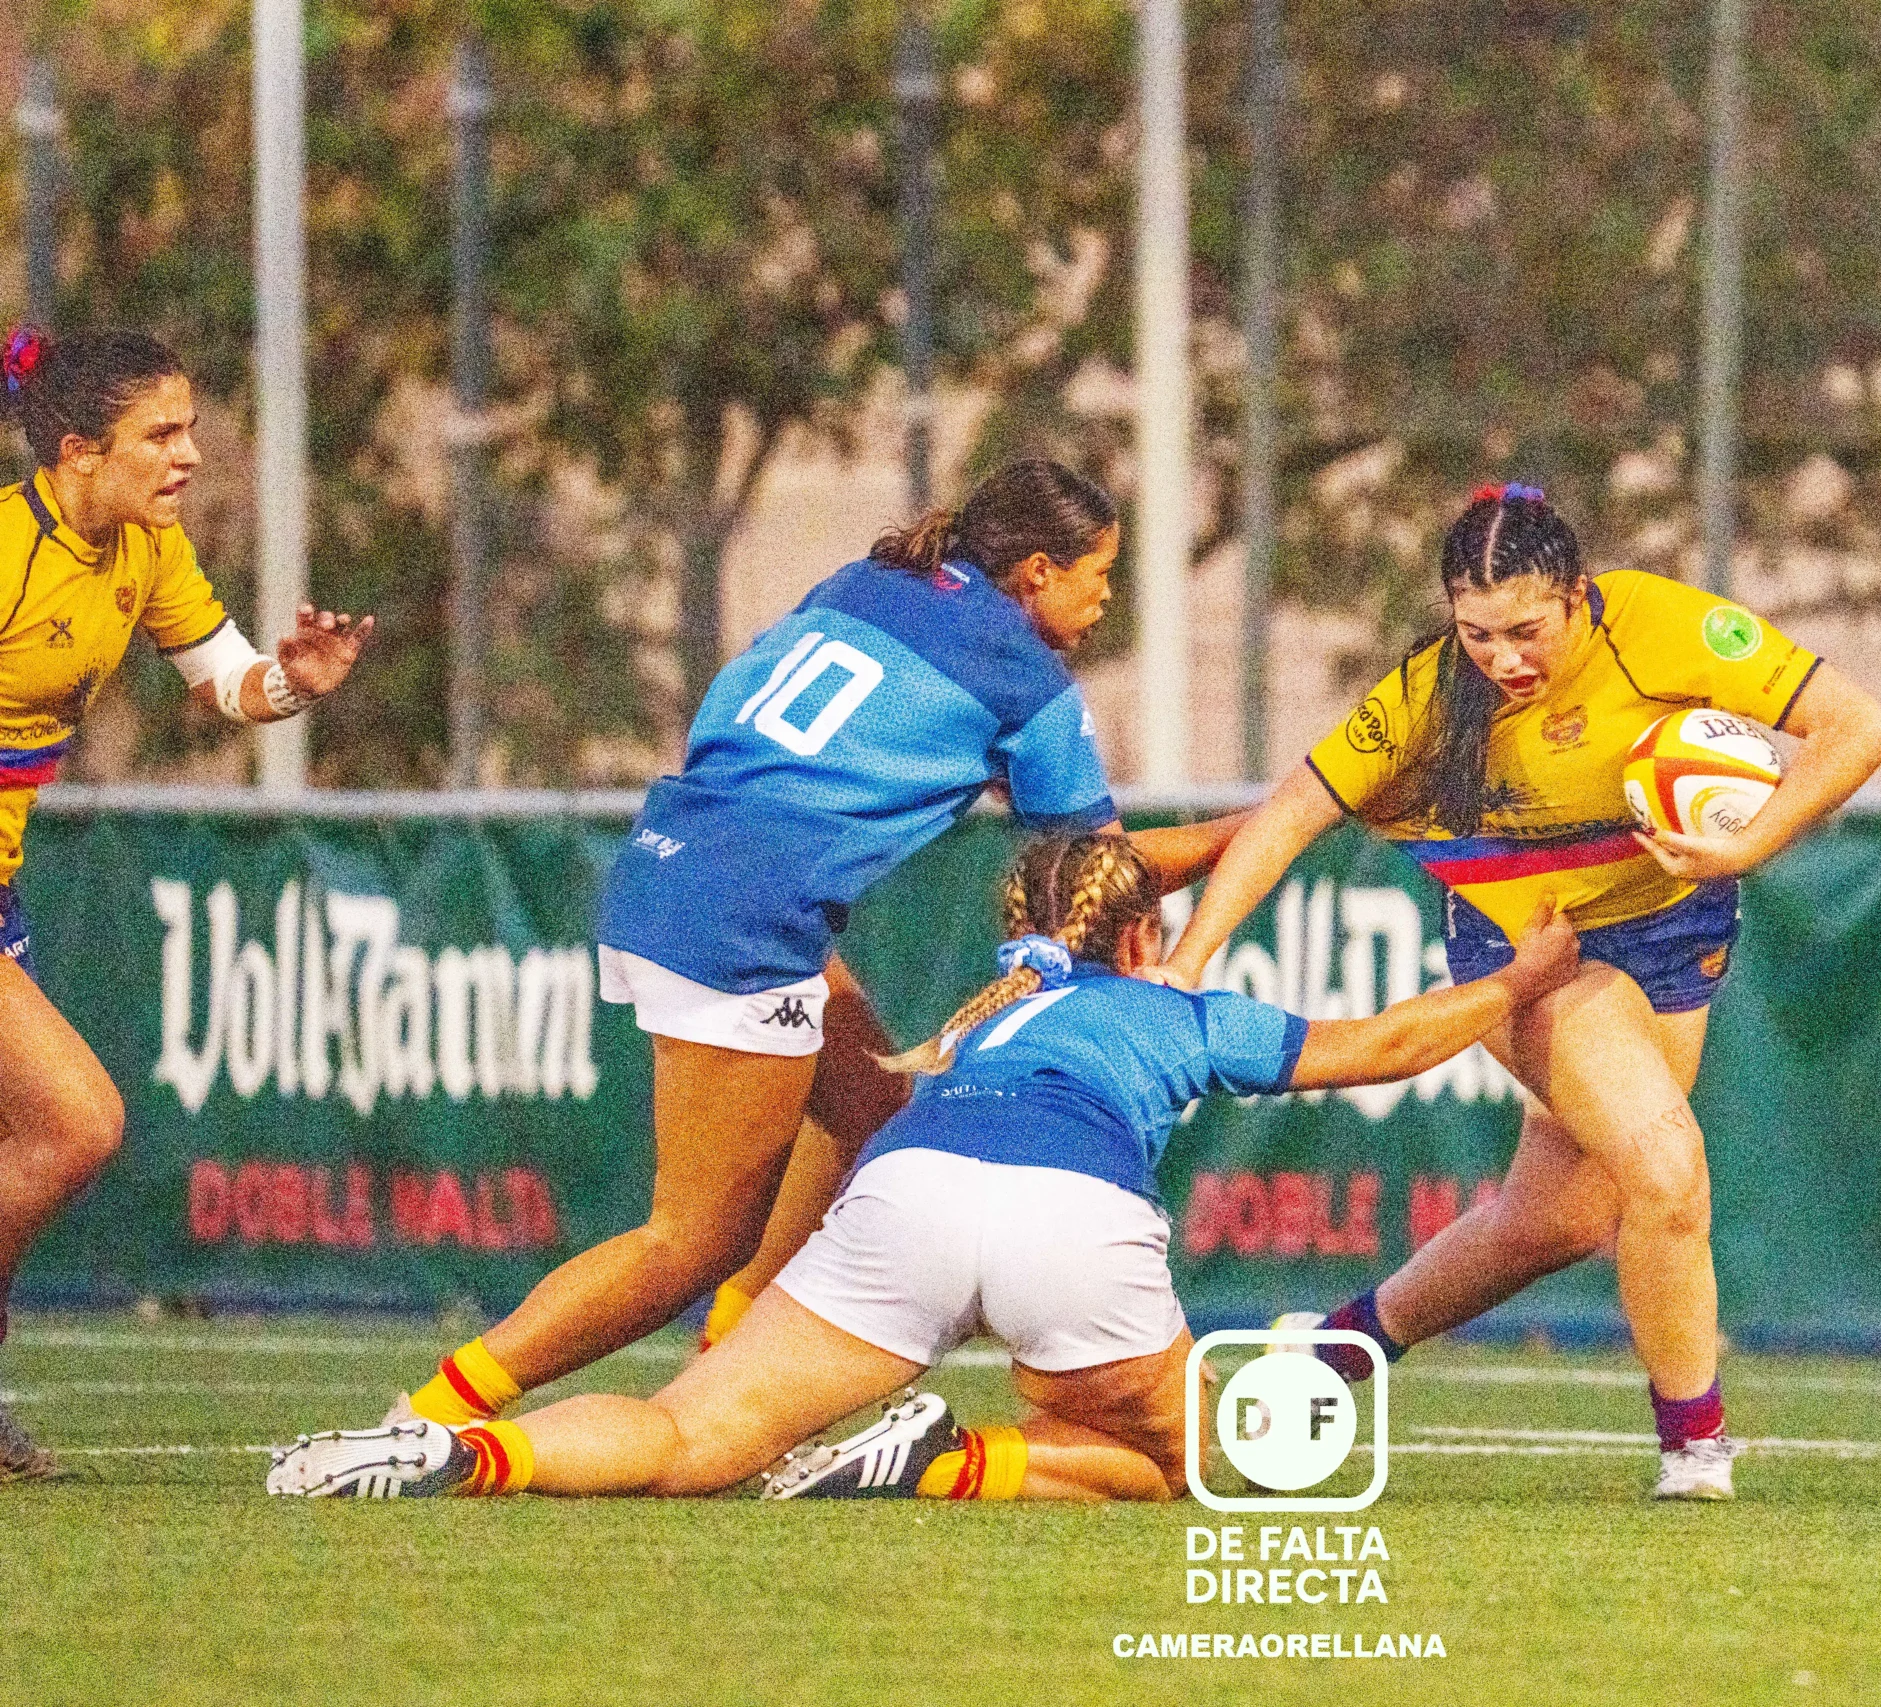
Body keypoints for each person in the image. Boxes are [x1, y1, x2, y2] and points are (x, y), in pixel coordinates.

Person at [267, 833, 1581, 1501]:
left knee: (687, 1435)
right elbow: (1395, 1041)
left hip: (902, 1199)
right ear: (1145, 927)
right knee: (1186, 1463)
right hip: (1074, 1213)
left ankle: (458, 1450)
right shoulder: (1171, 1004)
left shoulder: (984, 1001)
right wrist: (1517, 978)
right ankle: (946, 1462)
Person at [386, 460, 1244, 1434]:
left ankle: (730, 1347)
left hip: (673, 855)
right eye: (1100, 574)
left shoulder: (866, 582)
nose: (1104, 600)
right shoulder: (1024, 674)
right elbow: (1106, 875)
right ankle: (426, 1422)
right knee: (690, 1241)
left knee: (867, 1097)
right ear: (1039, 572)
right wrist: (1263, 828)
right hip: (744, 910)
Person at [1159, 482, 1881, 1501]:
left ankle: (1332, 1349)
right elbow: (1284, 818)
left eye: (1526, 630)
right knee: (1668, 1172)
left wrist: (1746, 843)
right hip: (1533, 951)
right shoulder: (1428, 694)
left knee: (1557, 1218)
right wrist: (1189, 958)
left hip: (1676, 925)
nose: (1503, 657)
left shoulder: (1663, 626)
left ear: (1579, 597)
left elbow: (1860, 725)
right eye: (1476, 633)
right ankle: (1694, 1448)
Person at [0, 326, 372, 1480]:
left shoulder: (146, 553)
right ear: (76, 450)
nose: (190, 456)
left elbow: (229, 682)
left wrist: (292, 684)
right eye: (160, 435)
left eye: (190, 429)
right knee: (76, 1125)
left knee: (64, 1132)